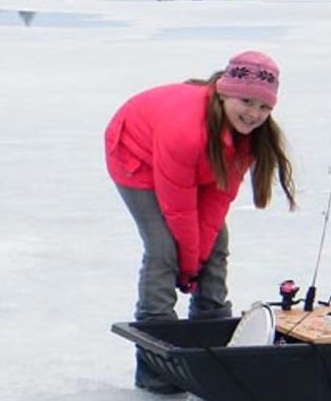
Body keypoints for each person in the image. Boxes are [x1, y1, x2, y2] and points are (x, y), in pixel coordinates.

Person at [104, 50, 297, 394]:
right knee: (163, 249)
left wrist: (196, 264)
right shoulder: (186, 131)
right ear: (225, 91)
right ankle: (155, 367)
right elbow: (178, 209)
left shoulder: (249, 138)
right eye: (246, 101)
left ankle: (213, 343)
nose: (254, 114)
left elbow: (215, 204)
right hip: (136, 153)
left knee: (216, 242)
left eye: (264, 107)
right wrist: (187, 268)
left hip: (198, 162)